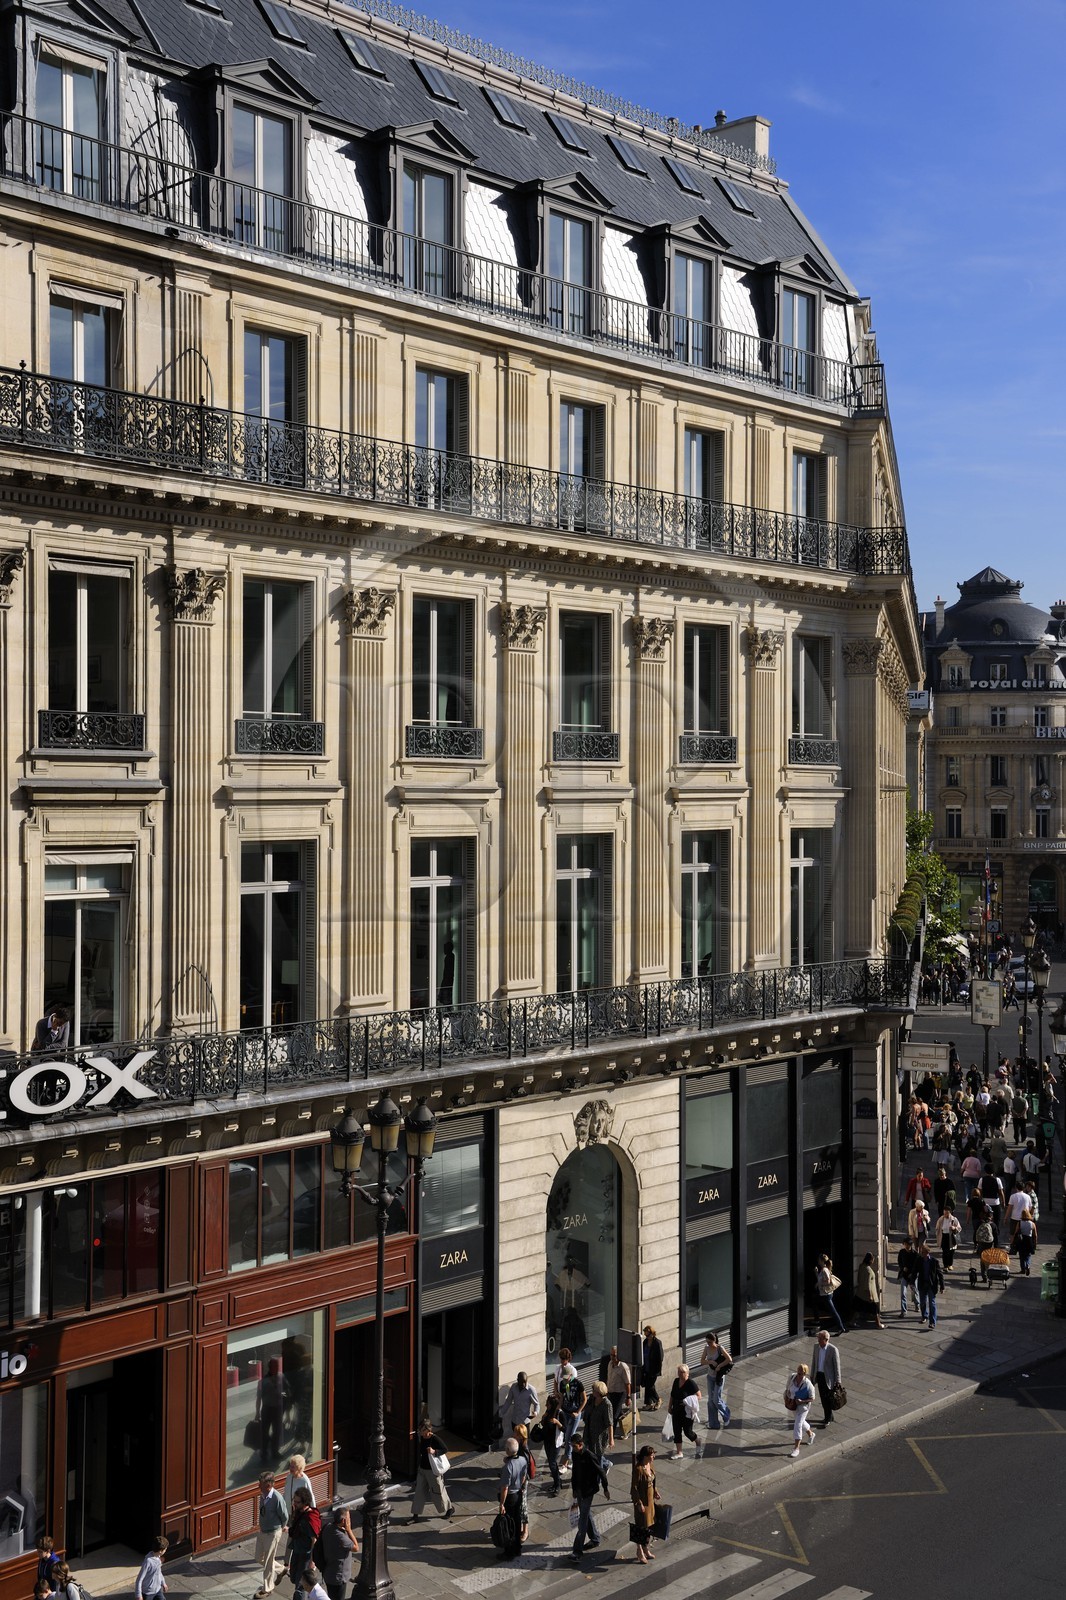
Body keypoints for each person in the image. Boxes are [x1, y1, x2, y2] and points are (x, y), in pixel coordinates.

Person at [568, 1434, 610, 1563]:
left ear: (581, 1445)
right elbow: (575, 1472)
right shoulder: (575, 1454)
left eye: (574, 1446)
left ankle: (577, 1551)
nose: (573, 1448)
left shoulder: (589, 1456)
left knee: (582, 1521)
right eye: (571, 1446)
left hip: (588, 1491)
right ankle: (595, 1538)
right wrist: (574, 1489)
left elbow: (601, 1471)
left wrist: (605, 1488)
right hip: (580, 1490)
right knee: (586, 1514)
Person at [411, 1420, 454, 1521]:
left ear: (427, 1430)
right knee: (419, 1492)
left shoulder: (434, 1439)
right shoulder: (421, 1438)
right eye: (419, 1429)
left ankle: (450, 1509)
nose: (420, 1431)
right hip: (422, 1469)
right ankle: (415, 1515)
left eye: (422, 1430)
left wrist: (434, 1451)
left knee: (438, 1492)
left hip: (433, 1471)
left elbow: (445, 1449)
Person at [254, 1471, 289, 1597]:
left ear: (268, 1485)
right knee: (259, 1558)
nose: (258, 1486)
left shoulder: (277, 1498)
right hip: (263, 1531)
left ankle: (267, 1588)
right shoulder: (263, 1495)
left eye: (261, 1484)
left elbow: (284, 1516)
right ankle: (281, 1570)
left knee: (268, 1562)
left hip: (273, 1533)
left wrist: (281, 1528)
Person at [496, 1437, 527, 1562]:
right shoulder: (523, 1460)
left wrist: (502, 1504)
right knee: (517, 1521)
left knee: (508, 1525)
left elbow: (505, 1488)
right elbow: (523, 1476)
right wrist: (520, 1486)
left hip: (510, 1497)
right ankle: (517, 1548)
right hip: (518, 1494)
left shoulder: (508, 1467)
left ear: (508, 1450)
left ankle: (509, 1552)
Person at [318, 1505, 358, 1600]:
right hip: (338, 1577)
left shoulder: (328, 1528)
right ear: (344, 1521)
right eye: (348, 1518)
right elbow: (356, 1548)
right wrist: (349, 1530)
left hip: (328, 1573)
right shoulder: (341, 1537)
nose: (350, 1520)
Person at [630, 1445, 660, 1566]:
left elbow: (653, 1480)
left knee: (648, 1526)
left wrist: (656, 1491)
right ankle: (639, 1551)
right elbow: (634, 1488)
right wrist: (639, 1503)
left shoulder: (650, 1465)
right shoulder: (638, 1469)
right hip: (642, 1502)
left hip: (650, 1500)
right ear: (645, 1456)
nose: (654, 1457)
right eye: (652, 1455)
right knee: (640, 1526)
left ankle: (646, 1548)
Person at [256, 1358, 290, 1465]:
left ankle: (275, 1451)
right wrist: (257, 1412)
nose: (277, 1368)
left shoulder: (281, 1376)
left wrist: (285, 1395)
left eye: (277, 1366)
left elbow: (287, 1388)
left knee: (277, 1431)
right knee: (265, 1433)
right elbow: (259, 1398)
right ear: (270, 1367)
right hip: (267, 1408)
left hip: (277, 1408)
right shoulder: (263, 1381)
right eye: (275, 1366)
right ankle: (264, 1453)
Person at [555, 1354, 586, 1469]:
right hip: (566, 1412)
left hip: (574, 1414)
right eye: (563, 1378)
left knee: (568, 1438)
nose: (564, 1380)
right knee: (568, 1436)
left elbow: (585, 1399)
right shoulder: (563, 1384)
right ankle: (572, 1457)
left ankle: (566, 1461)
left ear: (571, 1376)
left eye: (566, 1378)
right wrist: (559, 1407)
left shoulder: (578, 1384)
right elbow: (563, 1397)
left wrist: (578, 1412)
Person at [286, 1489, 322, 1587]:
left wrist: (312, 1561)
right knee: (293, 1577)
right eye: (294, 1501)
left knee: (300, 1584)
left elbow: (314, 1540)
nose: (295, 1504)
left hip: (305, 1555)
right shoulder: (298, 1511)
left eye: (297, 1502)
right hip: (296, 1551)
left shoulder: (310, 1519)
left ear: (305, 1502)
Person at [667, 1364, 702, 1461]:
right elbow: (672, 1395)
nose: (680, 1374)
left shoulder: (691, 1383)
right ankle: (679, 1452)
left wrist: (687, 1401)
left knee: (688, 1432)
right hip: (676, 1409)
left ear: (687, 1373)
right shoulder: (676, 1381)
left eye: (682, 1372)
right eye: (679, 1372)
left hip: (687, 1411)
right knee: (677, 1431)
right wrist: (669, 1407)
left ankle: (697, 1440)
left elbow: (699, 1396)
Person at [700, 1330, 733, 1427]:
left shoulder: (720, 1348)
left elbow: (729, 1359)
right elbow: (702, 1361)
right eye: (707, 1342)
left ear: (714, 1341)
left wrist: (719, 1366)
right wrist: (710, 1362)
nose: (708, 1344)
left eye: (710, 1342)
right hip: (710, 1377)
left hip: (719, 1377)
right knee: (710, 1401)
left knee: (716, 1400)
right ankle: (713, 1423)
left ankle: (726, 1414)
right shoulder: (706, 1348)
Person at [810, 1330, 841, 1428]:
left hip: (828, 1378)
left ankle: (827, 1418)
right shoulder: (816, 1347)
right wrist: (812, 1375)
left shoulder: (833, 1350)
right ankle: (829, 1416)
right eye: (818, 1338)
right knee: (823, 1398)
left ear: (826, 1339)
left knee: (827, 1398)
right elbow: (814, 1361)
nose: (818, 1340)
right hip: (819, 1375)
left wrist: (838, 1380)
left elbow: (836, 1367)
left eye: (820, 1338)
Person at [785, 1364, 815, 1459]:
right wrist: (787, 1396)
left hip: (803, 1407)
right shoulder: (792, 1377)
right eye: (798, 1373)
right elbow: (787, 1388)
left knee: (797, 1424)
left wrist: (802, 1401)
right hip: (793, 1405)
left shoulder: (808, 1384)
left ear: (805, 1373)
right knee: (801, 1422)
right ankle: (811, 1434)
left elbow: (812, 1398)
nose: (799, 1375)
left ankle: (796, 1448)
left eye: (802, 1374)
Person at [582, 1381, 614, 1470]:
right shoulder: (592, 1399)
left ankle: (599, 1475)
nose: (592, 1391)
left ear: (599, 1392)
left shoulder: (606, 1404)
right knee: (589, 1453)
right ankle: (606, 1464)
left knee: (597, 1455)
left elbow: (610, 1423)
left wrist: (611, 1439)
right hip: (588, 1430)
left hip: (599, 1435)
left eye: (594, 1390)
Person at [538, 1394, 564, 1495]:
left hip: (555, 1443)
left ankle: (557, 1485)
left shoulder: (560, 1414)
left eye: (547, 1404)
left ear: (552, 1405)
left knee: (552, 1464)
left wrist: (557, 1422)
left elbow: (565, 1429)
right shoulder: (548, 1412)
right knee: (552, 1463)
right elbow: (543, 1425)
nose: (546, 1405)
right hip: (547, 1441)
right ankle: (557, 1482)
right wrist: (542, 1419)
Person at [512, 1423, 535, 1541]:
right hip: (519, 1480)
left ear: (521, 1436)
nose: (514, 1435)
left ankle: (525, 1530)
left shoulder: (523, 1449)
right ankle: (521, 1527)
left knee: (523, 1505)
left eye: (516, 1434)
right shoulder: (520, 1445)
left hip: (522, 1482)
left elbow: (524, 1470)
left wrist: (520, 1484)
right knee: (520, 1504)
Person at [499, 1372, 538, 1438]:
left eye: (525, 1382)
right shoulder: (514, 1387)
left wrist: (535, 1413)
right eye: (521, 1382)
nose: (523, 1384)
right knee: (515, 1440)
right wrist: (500, 1414)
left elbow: (537, 1404)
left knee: (524, 1441)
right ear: (517, 1380)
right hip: (515, 1421)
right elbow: (508, 1401)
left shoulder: (531, 1390)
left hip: (525, 1423)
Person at [814, 1253, 846, 1335]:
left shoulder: (824, 1270)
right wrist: (816, 1273)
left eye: (819, 1259)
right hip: (825, 1294)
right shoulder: (823, 1269)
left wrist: (819, 1284)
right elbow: (821, 1279)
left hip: (826, 1295)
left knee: (833, 1311)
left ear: (822, 1261)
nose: (818, 1261)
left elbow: (828, 1281)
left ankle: (841, 1328)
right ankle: (817, 1320)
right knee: (815, 1302)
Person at [915, 1243, 944, 1328]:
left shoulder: (934, 1261)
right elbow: (915, 1271)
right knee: (922, 1302)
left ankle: (932, 1322)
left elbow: (940, 1274)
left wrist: (942, 1286)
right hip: (922, 1284)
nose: (922, 1254)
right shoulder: (919, 1260)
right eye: (921, 1252)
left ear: (927, 1252)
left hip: (931, 1285)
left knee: (932, 1303)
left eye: (923, 1252)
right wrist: (912, 1281)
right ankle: (924, 1316)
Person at [853, 1251, 884, 1327]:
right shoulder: (868, 1271)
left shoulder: (861, 1266)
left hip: (860, 1292)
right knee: (875, 1309)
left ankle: (852, 1321)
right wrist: (870, 1296)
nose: (873, 1261)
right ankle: (878, 1324)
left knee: (857, 1308)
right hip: (868, 1294)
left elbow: (859, 1278)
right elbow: (868, 1284)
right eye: (872, 1260)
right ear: (870, 1260)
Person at [606, 1346, 632, 1426]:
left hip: (619, 1394)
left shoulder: (623, 1367)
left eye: (614, 1355)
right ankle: (627, 1426)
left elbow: (627, 1383)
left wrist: (628, 1398)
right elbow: (609, 1378)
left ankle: (612, 1433)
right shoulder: (610, 1364)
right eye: (611, 1355)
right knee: (615, 1412)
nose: (612, 1357)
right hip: (610, 1392)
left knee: (614, 1416)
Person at [641, 1325, 664, 1409]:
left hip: (654, 1369)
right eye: (646, 1335)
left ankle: (658, 1399)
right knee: (648, 1386)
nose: (647, 1337)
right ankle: (648, 1404)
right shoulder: (645, 1342)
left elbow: (660, 1356)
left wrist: (657, 1369)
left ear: (652, 1334)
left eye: (648, 1334)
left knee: (650, 1386)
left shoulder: (657, 1343)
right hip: (646, 1367)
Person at [897, 1237, 920, 1316]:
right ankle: (903, 1311)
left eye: (907, 1245)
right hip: (904, 1275)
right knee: (903, 1293)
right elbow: (899, 1261)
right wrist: (903, 1267)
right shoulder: (901, 1252)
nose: (906, 1246)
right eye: (905, 1244)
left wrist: (912, 1273)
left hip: (913, 1276)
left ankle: (917, 1304)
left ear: (910, 1245)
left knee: (914, 1291)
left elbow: (917, 1266)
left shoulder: (915, 1254)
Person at [1013, 1206, 1038, 1276]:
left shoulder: (1019, 1223)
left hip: (1021, 1240)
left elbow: (1016, 1232)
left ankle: (1023, 1269)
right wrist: (1035, 1243)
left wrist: (1013, 1241)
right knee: (1028, 1255)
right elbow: (1035, 1235)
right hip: (1029, 1240)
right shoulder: (1032, 1224)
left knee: (1021, 1256)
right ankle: (1028, 1265)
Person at [936, 1203, 961, 1272]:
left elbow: (959, 1228)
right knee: (945, 1252)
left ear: (950, 1212)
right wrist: (938, 1233)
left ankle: (950, 1264)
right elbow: (937, 1227)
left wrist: (954, 1228)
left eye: (947, 1213)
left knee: (951, 1252)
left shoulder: (954, 1219)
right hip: (944, 1236)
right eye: (944, 1213)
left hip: (951, 1237)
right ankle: (945, 1266)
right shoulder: (941, 1219)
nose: (945, 1214)